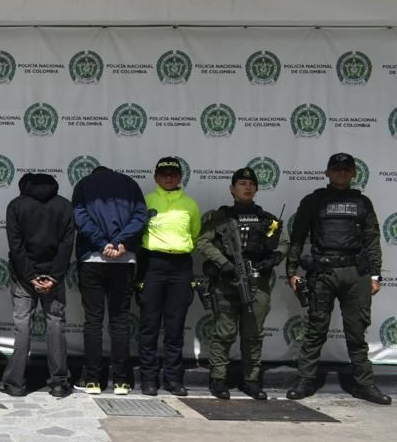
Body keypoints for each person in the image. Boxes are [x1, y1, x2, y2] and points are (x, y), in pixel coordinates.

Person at [286, 153, 390, 405]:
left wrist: (376, 275)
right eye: (337, 169)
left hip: (357, 274)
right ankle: (304, 381)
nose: (342, 173)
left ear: (354, 173)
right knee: (316, 329)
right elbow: (298, 238)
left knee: (356, 333)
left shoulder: (363, 203)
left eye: (346, 169)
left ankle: (365, 385)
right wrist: (291, 271)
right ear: (327, 173)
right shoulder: (313, 201)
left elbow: (372, 241)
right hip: (323, 273)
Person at [195, 167, 287, 400]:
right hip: (227, 283)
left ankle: (251, 380)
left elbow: (284, 243)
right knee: (224, 332)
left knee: (253, 334)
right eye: (242, 183)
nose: (247, 187)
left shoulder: (267, 219)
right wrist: (224, 263)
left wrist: (274, 258)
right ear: (232, 189)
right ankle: (218, 379)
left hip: (257, 283)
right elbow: (203, 242)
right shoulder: (221, 217)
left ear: (256, 188)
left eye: (251, 184)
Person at [71, 164, 148, 395]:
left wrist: (102, 244)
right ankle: (122, 381)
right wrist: (121, 242)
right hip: (124, 260)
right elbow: (140, 216)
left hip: (92, 258)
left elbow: (80, 217)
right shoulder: (130, 185)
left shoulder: (84, 185)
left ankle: (93, 380)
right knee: (119, 320)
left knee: (93, 321)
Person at [2, 172, 75, 397]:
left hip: (25, 279)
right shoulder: (64, 205)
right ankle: (59, 383)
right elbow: (67, 243)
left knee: (22, 326)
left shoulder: (16, 205)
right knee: (55, 325)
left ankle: (15, 383)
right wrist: (53, 276)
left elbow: (16, 246)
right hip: (53, 277)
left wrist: (31, 276)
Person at [137, 157, 201, 396]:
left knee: (175, 326)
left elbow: (194, 234)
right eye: (164, 173)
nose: (169, 177)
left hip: (181, 266)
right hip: (153, 264)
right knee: (149, 325)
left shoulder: (190, 204)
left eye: (173, 174)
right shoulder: (146, 201)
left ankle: (173, 379)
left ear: (180, 177)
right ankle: (148, 379)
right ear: (155, 176)